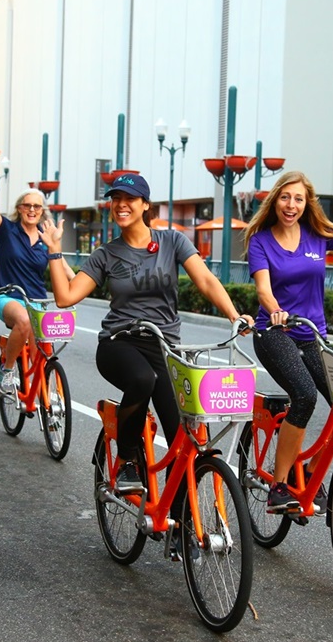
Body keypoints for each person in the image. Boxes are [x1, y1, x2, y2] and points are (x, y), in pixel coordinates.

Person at [40, 172, 252, 495]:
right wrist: (55, 251)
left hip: (165, 346)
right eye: (116, 200)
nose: (121, 205)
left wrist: (235, 315)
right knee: (142, 380)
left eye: (129, 200)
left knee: (182, 435)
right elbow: (66, 297)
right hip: (118, 343)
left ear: (145, 205)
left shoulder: (172, 242)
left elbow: (206, 280)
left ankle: (183, 531)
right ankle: (126, 460)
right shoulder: (106, 254)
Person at [243, 167, 333, 512]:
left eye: (299, 199)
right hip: (275, 333)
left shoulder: (318, 235)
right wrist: (276, 310)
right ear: (276, 200)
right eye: (285, 197)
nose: (291, 205)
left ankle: (306, 469)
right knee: (305, 396)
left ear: (307, 204)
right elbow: (263, 289)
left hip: (314, 337)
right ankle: (279, 485)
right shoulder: (261, 241)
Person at [0, 149, 74, 395]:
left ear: (43, 211)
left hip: (37, 301)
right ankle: (8, 371)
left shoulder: (47, 237)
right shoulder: (7, 229)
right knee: (23, 320)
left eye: (37, 207)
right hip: (8, 296)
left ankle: (41, 393)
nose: (32, 210)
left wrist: (81, 285)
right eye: (27, 205)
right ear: (20, 208)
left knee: (43, 348)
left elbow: (63, 267)